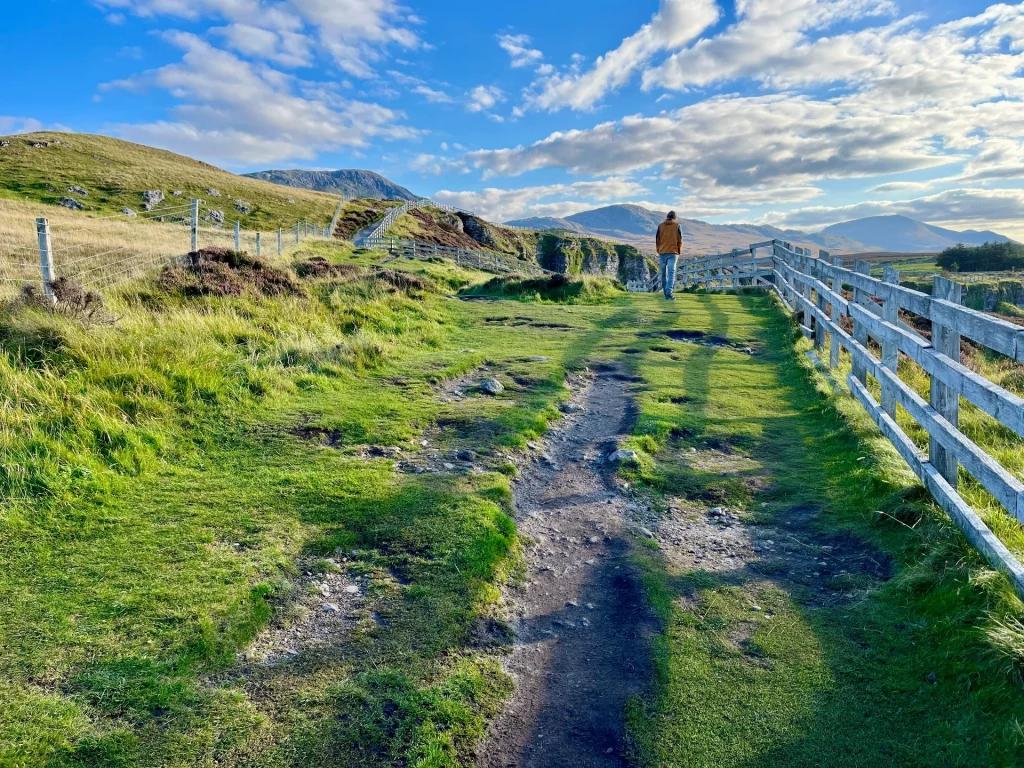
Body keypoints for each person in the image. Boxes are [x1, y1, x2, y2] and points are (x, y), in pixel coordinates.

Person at [656, 210, 683, 300]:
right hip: (673, 253)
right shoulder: (677, 226)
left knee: (663, 274)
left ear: (667, 216)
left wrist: (658, 249)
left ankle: (665, 292)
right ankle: (669, 293)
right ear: (675, 217)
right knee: (671, 273)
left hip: (662, 252)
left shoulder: (660, 226)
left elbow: (657, 239)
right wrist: (679, 251)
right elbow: (680, 240)